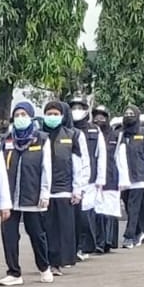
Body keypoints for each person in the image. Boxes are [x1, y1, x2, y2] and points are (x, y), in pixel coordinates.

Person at [0, 101, 53, 286]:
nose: (20, 118)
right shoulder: (6, 140)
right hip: (10, 197)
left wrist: (45, 193)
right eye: (17, 114)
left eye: (24, 114)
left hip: (32, 195)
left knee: (36, 233)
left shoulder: (42, 139)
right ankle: (14, 272)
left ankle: (44, 267)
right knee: (9, 235)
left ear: (30, 116)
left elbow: (47, 168)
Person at [37, 101, 90, 275]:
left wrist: (78, 188)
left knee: (61, 229)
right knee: (45, 229)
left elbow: (79, 164)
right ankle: (46, 261)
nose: (52, 117)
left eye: (55, 114)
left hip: (64, 189)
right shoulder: (38, 135)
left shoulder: (72, 135)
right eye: (49, 113)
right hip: (43, 191)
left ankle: (57, 263)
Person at [116, 105, 144, 249]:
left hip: (139, 178)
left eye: (131, 113)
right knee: (129, 208)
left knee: (133, 207)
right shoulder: (121, 134)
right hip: (124, 178)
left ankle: (129, 237)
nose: (128, 116)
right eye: (126, 113)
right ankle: (139, 232)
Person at [69, 96, 107, 261]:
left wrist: (100, 178)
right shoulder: (67, 130)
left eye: (80, 107)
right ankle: (74, 247)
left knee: (86, 215)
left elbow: (101, 155)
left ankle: (85, 246)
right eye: (74, 107)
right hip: (69, 181)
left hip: (90, 181)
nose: (76, 111)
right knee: (74, 217)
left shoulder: (94, 130)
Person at [91, 104, 122, 252]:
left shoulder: (116, 136)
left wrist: (123, 179)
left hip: (112, 177)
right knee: (98, 212)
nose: (98, 119)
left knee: (110, 211)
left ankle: (108, 241)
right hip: (96, 178)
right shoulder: (92, 134)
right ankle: (99, 242)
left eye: (102, 116)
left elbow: (121, 159)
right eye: (96, 116)